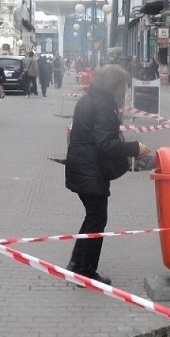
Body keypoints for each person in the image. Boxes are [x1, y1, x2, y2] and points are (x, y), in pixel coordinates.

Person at [64, 64, 150, 285]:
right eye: (123, 86)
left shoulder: (88, 99)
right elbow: (105, 144)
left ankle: (76, 264)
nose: (125, 91)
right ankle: (86, 272)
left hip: (82, 166)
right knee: (97, 219)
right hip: (90, 170)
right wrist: (135, 148)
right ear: (114, 85)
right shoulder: (102, 105)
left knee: (92, 217)